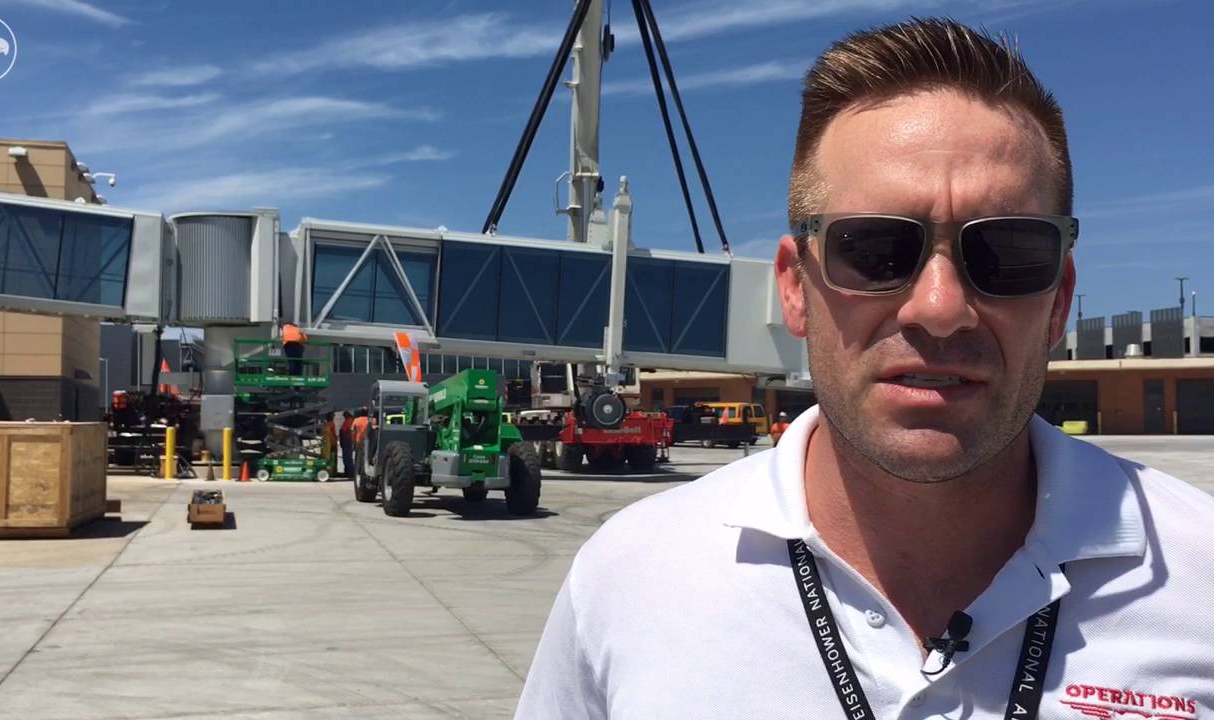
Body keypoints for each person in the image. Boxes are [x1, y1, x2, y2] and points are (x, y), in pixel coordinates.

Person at [517, 18, 1214, 718]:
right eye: (875, 250)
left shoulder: (1199, 575)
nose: (940, 308)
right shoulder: (627, 581)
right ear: (794, 288)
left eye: (1005, 254)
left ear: (1059, 299)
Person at [339, 410, 355, 478]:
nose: (344, 417)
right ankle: (347, 471)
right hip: (346, 440)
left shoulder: (349, 420)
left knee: (347, 457)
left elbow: (349, 430)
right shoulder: (348, 420)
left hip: (347, 440)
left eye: (345, 415)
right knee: (346, 457)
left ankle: (350, 472)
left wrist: (347, 438)